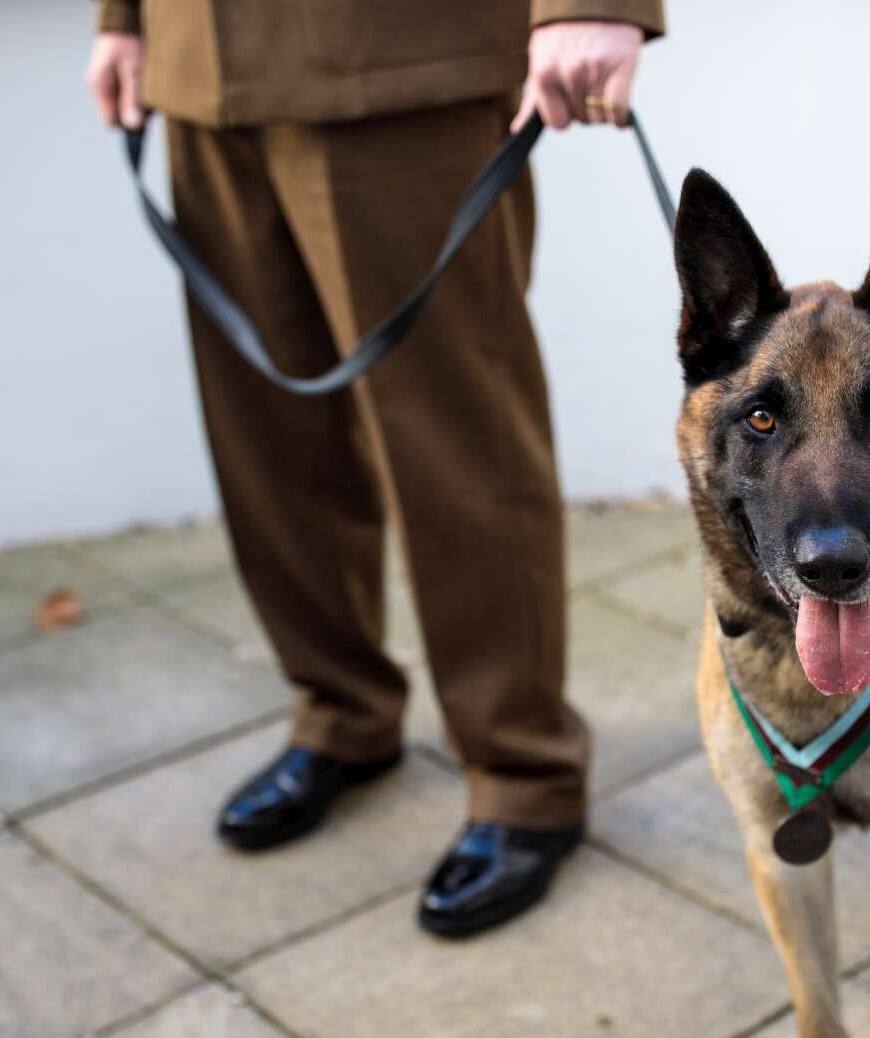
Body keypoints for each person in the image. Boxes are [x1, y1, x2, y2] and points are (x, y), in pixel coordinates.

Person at [84, 2, 663, 938]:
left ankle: (523, 774)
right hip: (198, 64)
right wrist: (125, 16)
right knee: (269, 439)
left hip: (401, 60)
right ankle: (340, 712)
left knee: (457, 439)